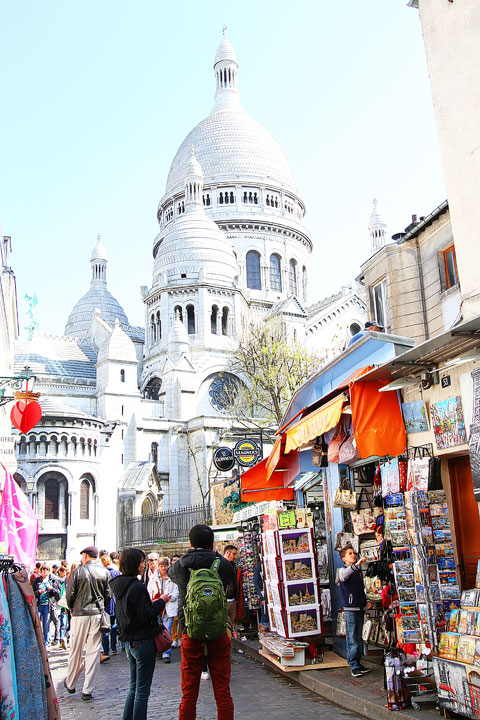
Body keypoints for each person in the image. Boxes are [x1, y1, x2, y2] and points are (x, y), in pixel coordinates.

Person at [168, 524, 235, 720]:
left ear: (190, 543)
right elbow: (230, 578)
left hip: (190, 632)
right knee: (222, 691)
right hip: (218, 631)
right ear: (212, 543)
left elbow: (171, 574)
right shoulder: (221, 564)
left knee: (189, 694)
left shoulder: (181, 565)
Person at [110, 548, 168, 720]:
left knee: (134, 687)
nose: (144, 565)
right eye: (142, 562)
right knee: (142, 691)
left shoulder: (120, 585)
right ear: (135, 564)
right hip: (142, 641)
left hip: (129, 641)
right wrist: (160, 602)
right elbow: (146, 615)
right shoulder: (136, 587)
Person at [63, 546, 111, 701]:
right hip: (97, 615)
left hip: (79, 614)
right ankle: (87, 690)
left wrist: (71, 608)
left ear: (85, 556)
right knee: (93, 652)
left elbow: (70, 594)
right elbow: (108, 595)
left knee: (75, 651)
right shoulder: (104, 572)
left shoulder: (78, 572)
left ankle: (70, 683)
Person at [338, 545, 371, 678]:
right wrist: (356, 565)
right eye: (350, 554)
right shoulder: (342, 570)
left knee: (358, 636)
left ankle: (358, 661)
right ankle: (353, 664)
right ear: (344, 558)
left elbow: (361, 587)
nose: (353, 555)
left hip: (359, 606)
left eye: (354, 553)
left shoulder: (357, 571)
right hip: (350, 608)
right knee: (352, 637)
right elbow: (343, 577)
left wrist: (366, 599)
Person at [157, 557, 179, 663]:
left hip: (169, 607)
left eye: (165, 566)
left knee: (167, 629)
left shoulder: (172, 578)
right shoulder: (154, 578)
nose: (163, 568)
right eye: (161, 566)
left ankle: (166, 653)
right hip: (157, 607)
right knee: (157, 630)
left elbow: (177, 592)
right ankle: (160, 651)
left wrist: (168, 597)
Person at [100, 554, 121, 662]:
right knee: (113, 625)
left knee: (105, 626)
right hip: (115, 601)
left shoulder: (101, 573)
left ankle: (106, 650)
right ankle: (114, 647)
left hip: (105, 603)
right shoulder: (116, 573)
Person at [32, 564, 54, 646]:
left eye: (47, 569)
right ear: (41, 570)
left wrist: (51, 589)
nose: (45, 571)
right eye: (44, 569)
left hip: (47, 605)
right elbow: (32, 592)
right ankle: (38, 641)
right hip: (39, 605)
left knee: (46, 624)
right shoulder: (37, 580)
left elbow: (55, 592)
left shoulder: (51, 580)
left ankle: (46, 642)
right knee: (37, 624)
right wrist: (38, 592)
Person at [223, 545, 238, 631]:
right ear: (228, 552)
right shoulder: (220, 564)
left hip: (232, 599)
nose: (235, 557)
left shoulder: (233, 566)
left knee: (232, 623)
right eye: (234, 554)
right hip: (225, 599)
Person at [253, 556, 269, 631]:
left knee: (266, 617)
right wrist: (261, 597)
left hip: (266, 594)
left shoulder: (260, 564)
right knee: (265, 617)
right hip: (264, 595)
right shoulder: (259, 565)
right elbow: (255, 581)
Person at [170, 555, 181, 648]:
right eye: (173, 560)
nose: (175, 562)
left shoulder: (182, 570)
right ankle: (174, 638)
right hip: (172, 600)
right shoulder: (169, 572)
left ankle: (179, 637)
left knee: (180, 620)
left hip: (180, 599)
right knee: (173, 620)